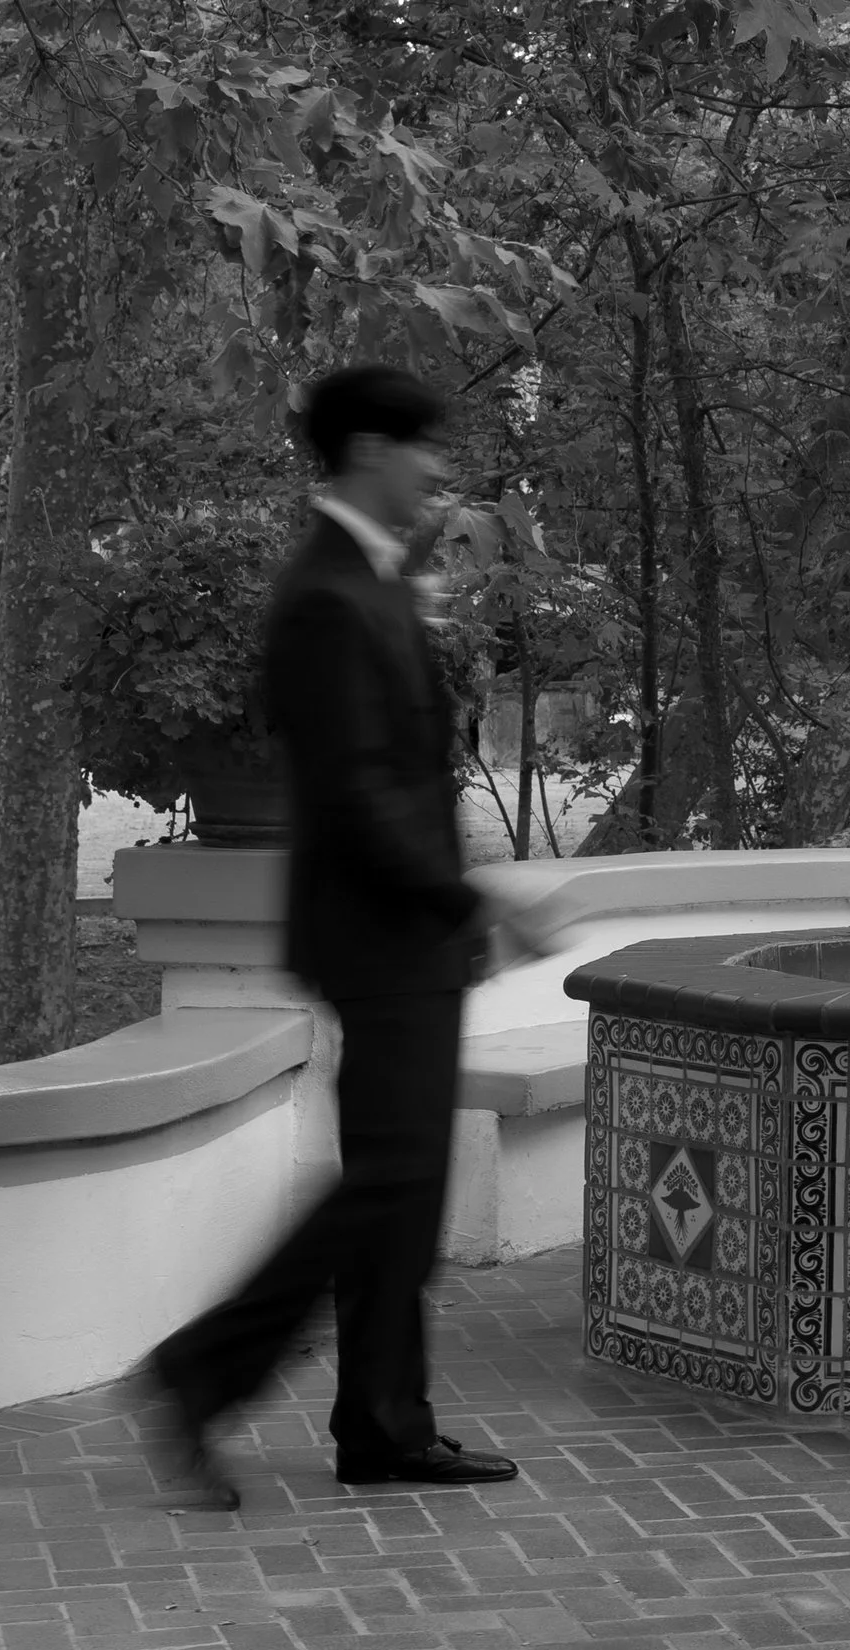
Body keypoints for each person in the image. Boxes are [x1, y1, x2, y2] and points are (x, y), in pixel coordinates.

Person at [147, 365, 551, 1508]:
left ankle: (383, 1422)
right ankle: (199, 1371)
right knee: (384, 1184)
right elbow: (362, 796)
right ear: (371, 448)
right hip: (379, 937)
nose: (435, 473)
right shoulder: (325, 595)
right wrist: (476, 899)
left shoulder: (369, 579)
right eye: (423, 449)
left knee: (400, 1191)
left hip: (401, 936)